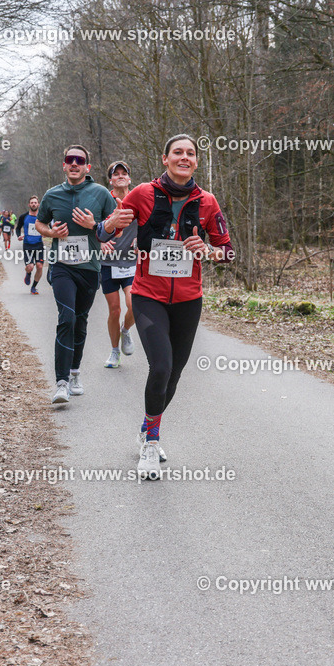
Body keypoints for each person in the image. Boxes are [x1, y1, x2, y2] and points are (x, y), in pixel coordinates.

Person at [120, 134, 234, 480]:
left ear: (196, 162)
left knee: (175, 373)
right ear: (165, 159)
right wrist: (108, 226)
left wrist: (207, 250)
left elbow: (227, 253)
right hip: (147, 296)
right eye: (178, 153)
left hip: (188, 300)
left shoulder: (208, 202)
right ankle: (151, 444)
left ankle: (146, 426)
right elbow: (108, 231)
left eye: (190, 154)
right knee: (161, 366)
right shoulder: (142, 193)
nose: (184, 158)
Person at [35, 144, 134, 404]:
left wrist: (97, 227)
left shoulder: (100, 194)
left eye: (80, 160)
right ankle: (61, 382)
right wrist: (50, 233)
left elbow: (115, 229)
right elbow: (40, 222)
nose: (75, 163)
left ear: (87, 167)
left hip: (90, 269)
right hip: (61, 267)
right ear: (64, 165)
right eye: (70, 159)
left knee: (80, 321)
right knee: (66, 318)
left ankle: (75, 373)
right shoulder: (52, 195)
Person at [79, 161, 137, 368]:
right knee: (114, 309)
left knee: (134, 305)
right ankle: (114, 352)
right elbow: (90, 228)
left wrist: (142, 240)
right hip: (108, 263)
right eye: (116, 174)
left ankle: (126, 330)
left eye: (124, 173)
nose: (120, 176)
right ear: (110, 180)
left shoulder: (139, 198)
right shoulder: (103, 201)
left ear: (129, 178)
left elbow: (151, 224)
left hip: (132, 262)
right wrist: (99, 242)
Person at [17, 196, 43, 294]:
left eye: (35, 202)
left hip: (39, 245)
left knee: (39, 266)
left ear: (38, 204)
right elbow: (18, 228)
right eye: (32, 202)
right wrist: (19, 235)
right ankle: (28, 273)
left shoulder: (42, 216)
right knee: (30, 266)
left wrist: (46, 232)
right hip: (28, 245)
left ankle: (33, 287)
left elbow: (46, 226)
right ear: (29, 205)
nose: (33, 204)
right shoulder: (23, 216)